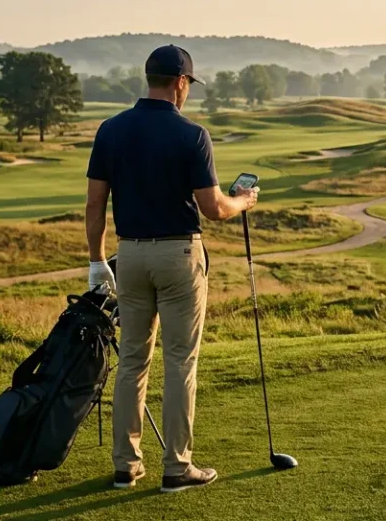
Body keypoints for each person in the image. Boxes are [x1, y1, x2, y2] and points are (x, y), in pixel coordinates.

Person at [84, 45, 259, 493]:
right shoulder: (192, 135)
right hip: (179, 256)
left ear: (149, 78)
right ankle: (177, 467)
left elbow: (95, 203)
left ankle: (126, 465)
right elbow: (212, 207)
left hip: (131, 256)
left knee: (132, 362)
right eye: (188, 85)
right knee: (180, 361)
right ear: (180, 82)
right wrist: (243, 201)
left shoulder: (110, 130)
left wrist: (96, 261)